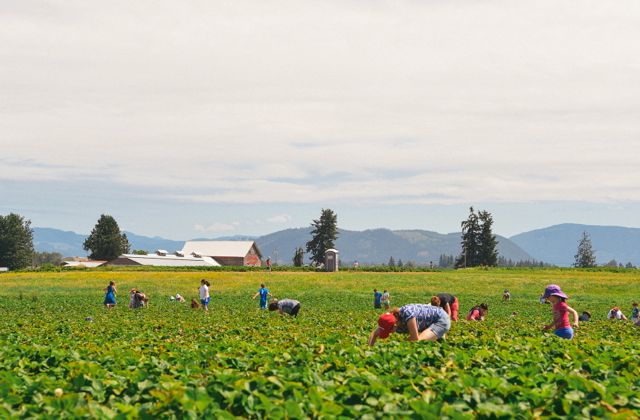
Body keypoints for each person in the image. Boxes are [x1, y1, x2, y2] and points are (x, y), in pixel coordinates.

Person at [368, 298, 451, 346]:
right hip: (427, 323)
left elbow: (414, 338)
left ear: (395, 324)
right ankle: (439, 337)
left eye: (389, 330)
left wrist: (397, 347)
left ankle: (439, 333)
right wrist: (369, 350)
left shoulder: (408, 314)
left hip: (441, 319)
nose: (390, 333)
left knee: (418, 342)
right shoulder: (389, 319)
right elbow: (374, 334)